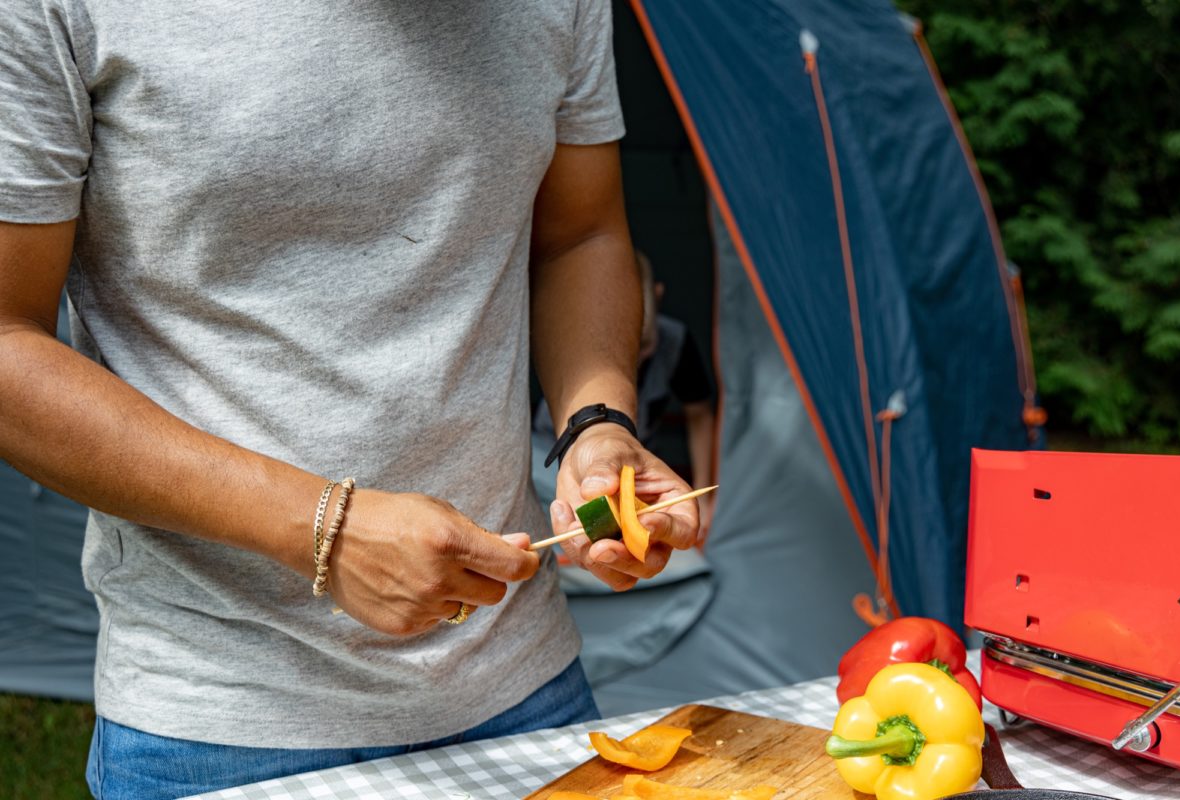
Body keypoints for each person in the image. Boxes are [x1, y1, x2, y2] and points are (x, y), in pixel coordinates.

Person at [0, 2, 699, 798]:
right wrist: (322, 528)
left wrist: (597, 422)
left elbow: (581, 232)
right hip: (221, 724)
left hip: (524, 687)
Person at [533, 251, 716, 540]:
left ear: (657, 296)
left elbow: (700, 415)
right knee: (578, 525)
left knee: (609, 533)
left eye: (644, 348)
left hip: (634, 458)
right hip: (546, 453)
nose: (634, 366)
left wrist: (702, 493)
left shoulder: (677, 343)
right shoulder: (570, 336)